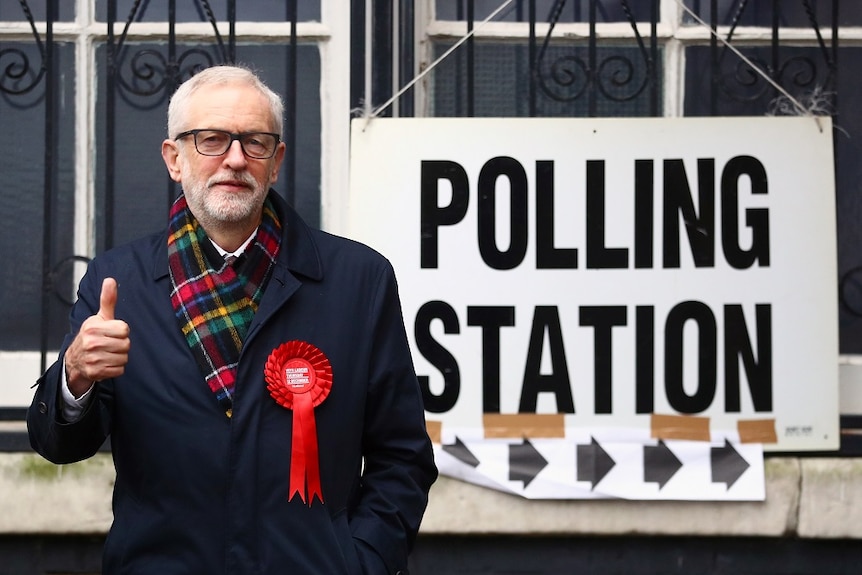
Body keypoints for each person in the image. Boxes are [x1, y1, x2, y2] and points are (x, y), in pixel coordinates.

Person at [27, 64, 437, 575]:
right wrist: (74, 378)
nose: (236, 159)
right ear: (174, 158)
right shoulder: (118, 281)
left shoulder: (360, 280)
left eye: (255, 142)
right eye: (212, 140)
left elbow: (403, 458)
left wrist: (363, 561)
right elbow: (58, 446)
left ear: (277, 160)